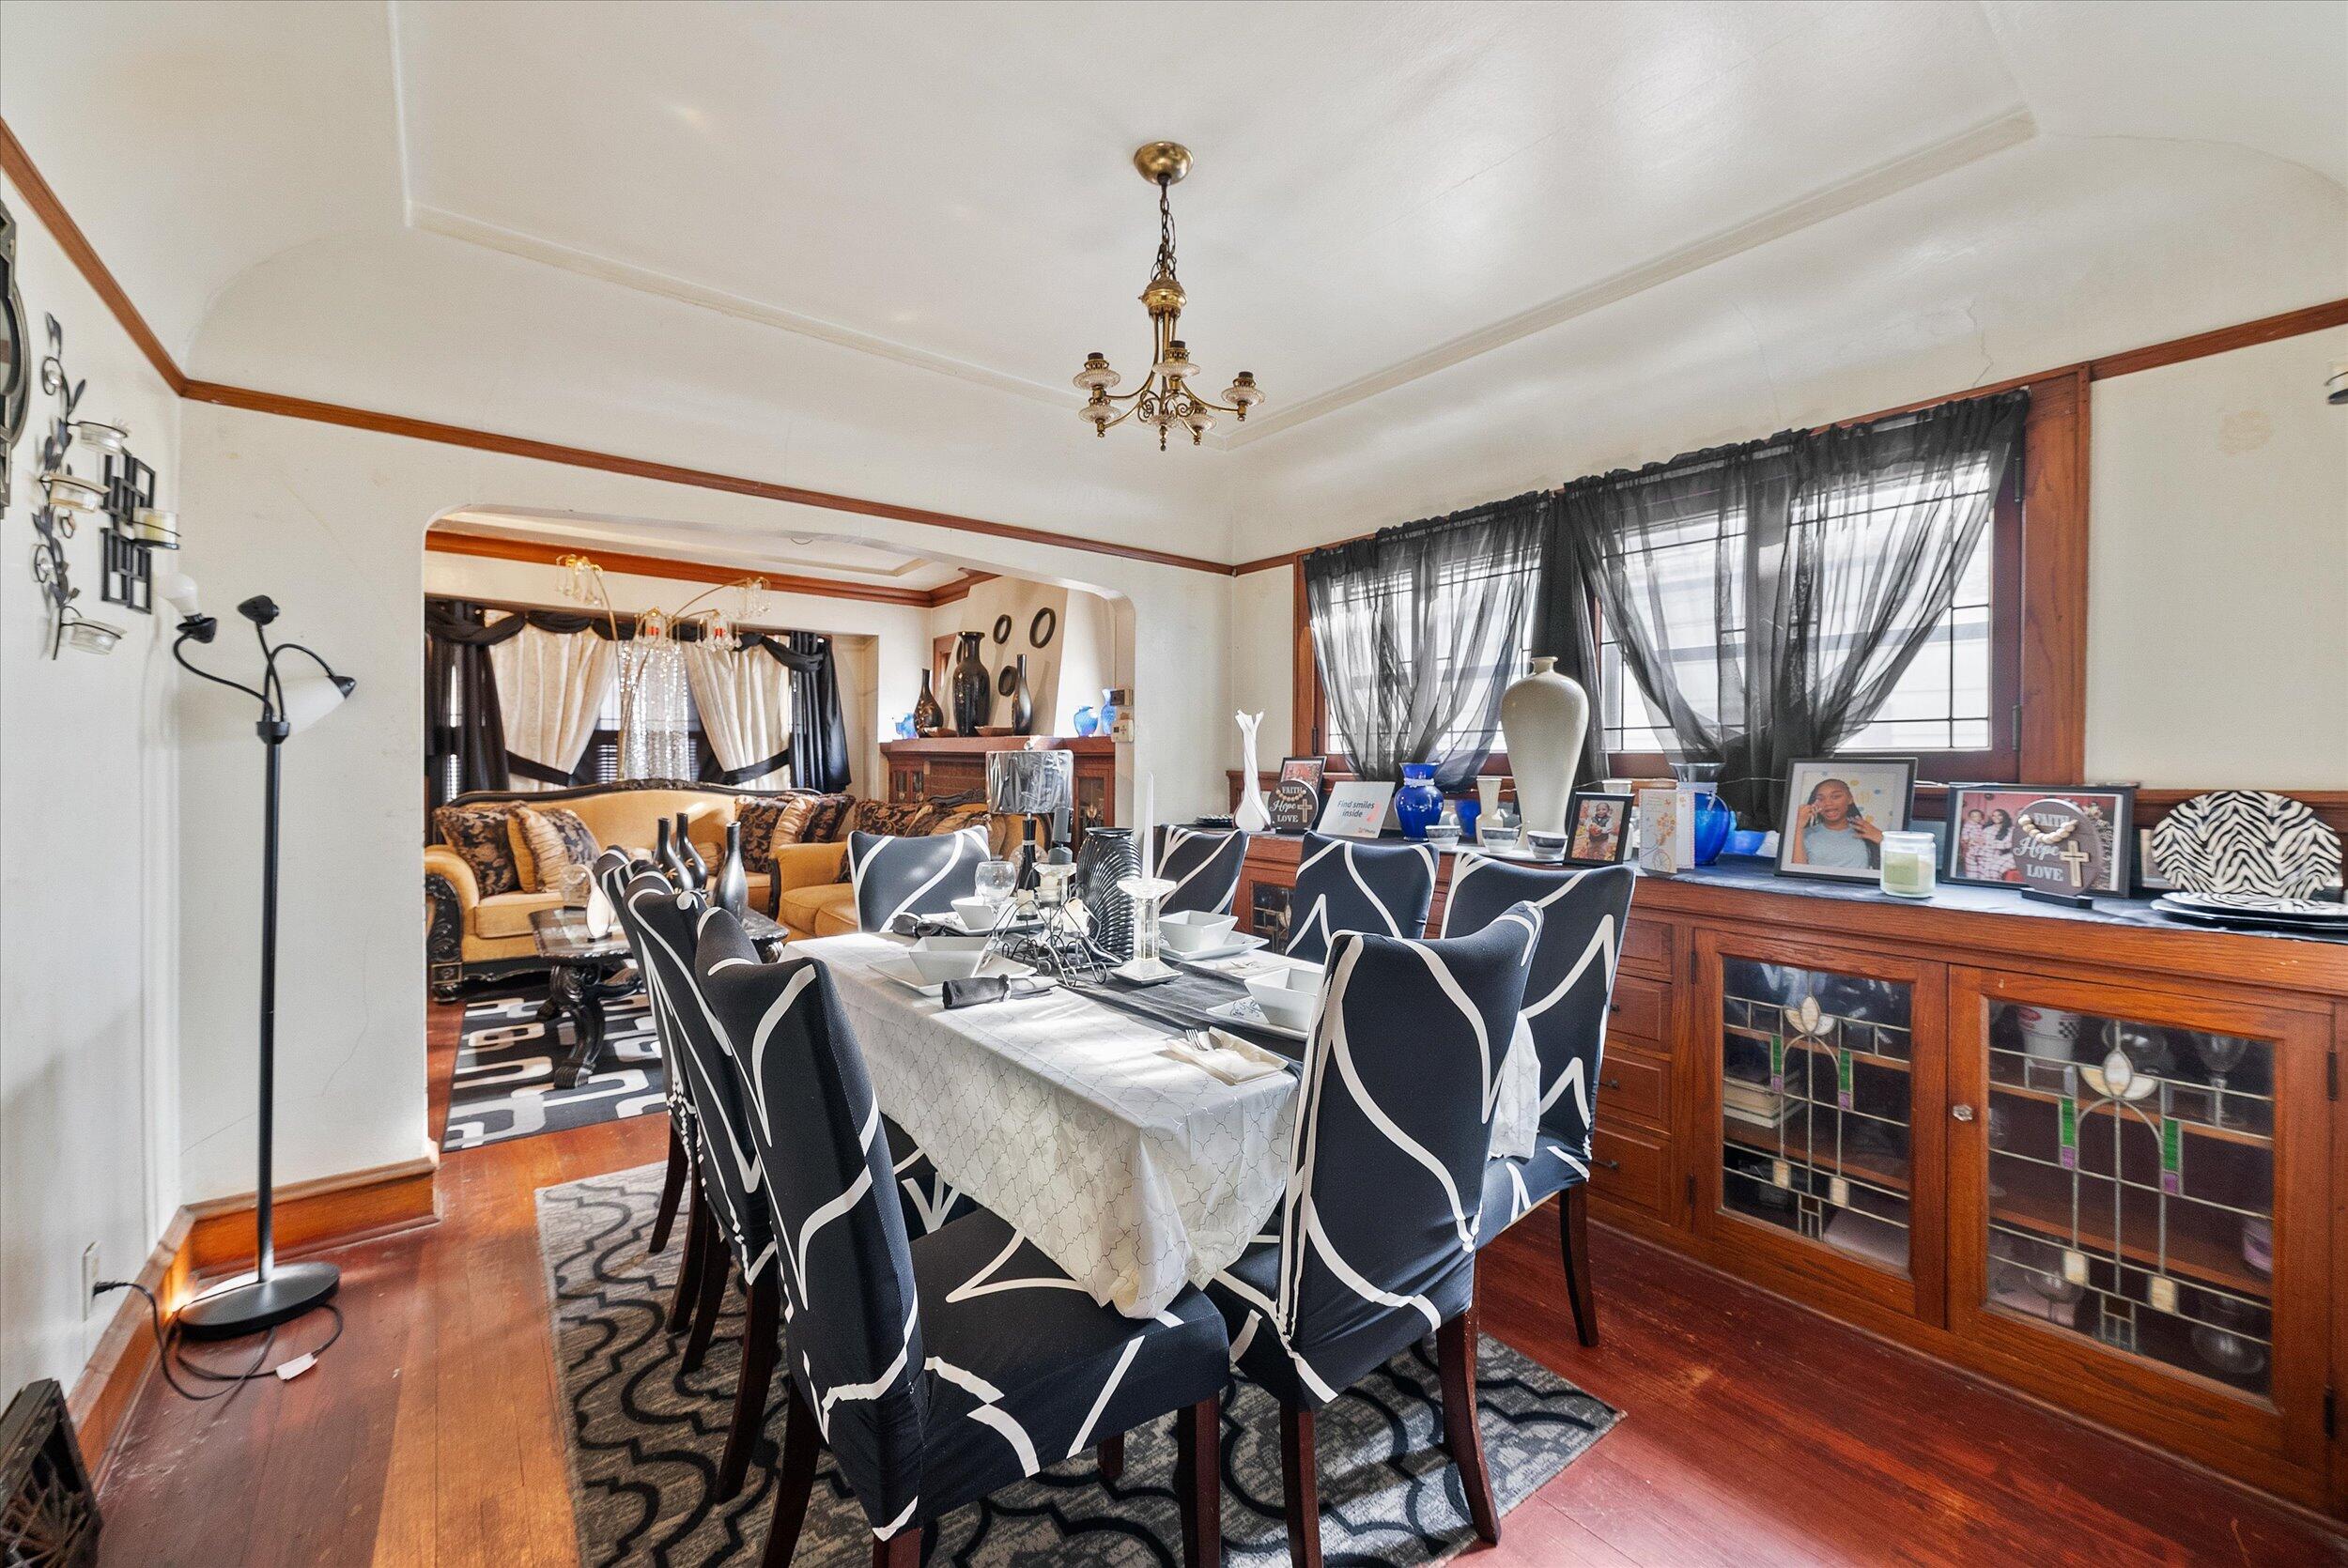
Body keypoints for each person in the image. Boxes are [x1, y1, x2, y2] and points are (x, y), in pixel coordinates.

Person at [1785, 776, 1882, 871]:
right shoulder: (1803, 834)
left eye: (1836, 796)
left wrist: (1882, 839)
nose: (1828, 803)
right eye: (1821, 799)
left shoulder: (1867, 832)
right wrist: (1798, 827)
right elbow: (1798, 874)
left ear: (1850, 799)